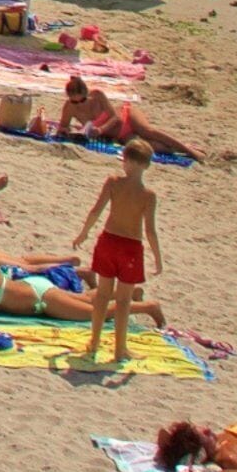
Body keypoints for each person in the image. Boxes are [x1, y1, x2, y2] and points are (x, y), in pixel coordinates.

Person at [67, 145, 163, 368]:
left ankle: (95, 341)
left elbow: (96, 211)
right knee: (123, 300)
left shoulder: (113, 183)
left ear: (126, 161)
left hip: (108, 241)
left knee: (102, 295)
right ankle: (120, 349)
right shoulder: (148, 196)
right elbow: (150, 230)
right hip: (130, 247)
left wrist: (84, 233)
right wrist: (157, 257)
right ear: (147, 165)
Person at [0, 237, 161, 327]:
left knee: (95, 313)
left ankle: (147, 307)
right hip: (36, 287)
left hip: (41, 298)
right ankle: (130, 295)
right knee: (85, 299)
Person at [52, 73, 202, 159]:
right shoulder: (70, 107)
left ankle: (190, 151)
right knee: (152, 147)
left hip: (126, 116)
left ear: (86, 94)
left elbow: (115, 117)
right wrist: (65, 131)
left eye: (82, 100)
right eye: (75, 101)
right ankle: (182, 148)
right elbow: (63, 126)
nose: (80, 104)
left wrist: (101, 130)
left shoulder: (97, 95)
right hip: (119, 136)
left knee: (147, 131)